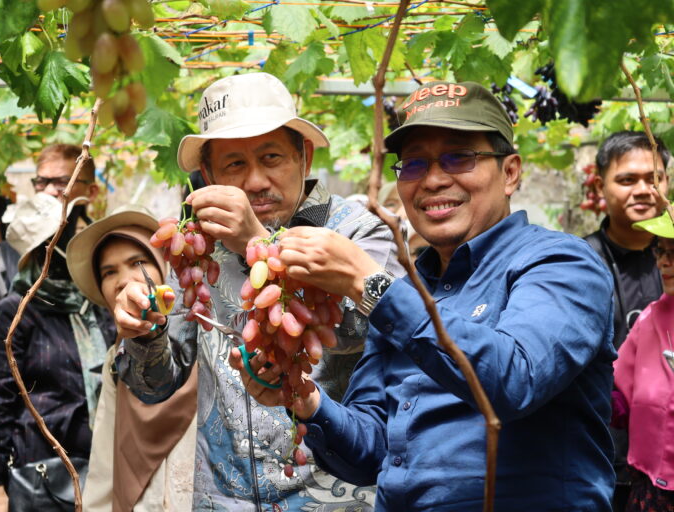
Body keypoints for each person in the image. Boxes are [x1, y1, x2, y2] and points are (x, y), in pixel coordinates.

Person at [232, 81, 617, 510]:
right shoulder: (410, 291)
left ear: (510, 173)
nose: (433, 179)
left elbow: (515, 379)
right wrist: (305, 401)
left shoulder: (561, 263)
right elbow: (376, 449)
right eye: (414, 163)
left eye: (459, 157)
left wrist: (369, 284)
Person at [114, 72, 402, 511]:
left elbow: (372, 329)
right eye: (234, 165)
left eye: (271, 158)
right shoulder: (197, 250)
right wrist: (144, 333)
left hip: (339, 500)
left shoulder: (359, 234)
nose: (254, 181)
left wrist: (258, 245)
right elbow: (157, 386)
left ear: (303, 157)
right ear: (208, 173)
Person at [0, 193, 114, 512]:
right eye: (71, 233)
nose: (82, 238)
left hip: (103, 472)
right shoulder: (14, 314)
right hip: (42, 479)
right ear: (47, 248)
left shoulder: (95, 306)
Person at [67, 206, 197, 511]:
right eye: (109, 272)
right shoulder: (117, 354)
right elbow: (106, 456)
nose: (123, 280)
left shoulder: (204, 332)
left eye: (137, 262)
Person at [585, 131, 671, 510]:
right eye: (626, 179)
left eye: (654, 178)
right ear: (599, 183)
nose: (643, 190)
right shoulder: (579, 261)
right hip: (599, 455)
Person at [0, 143, 99, 354]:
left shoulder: (105, 250)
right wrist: (28, 313)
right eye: (41, 182)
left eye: (63, 181)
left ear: (91, 192)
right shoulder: (6, 256)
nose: (48, 191)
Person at [610, 210, 674, 512]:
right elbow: (619, 394)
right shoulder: (650, 318)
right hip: (649, 486)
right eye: (660, 252)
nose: (663, 263)